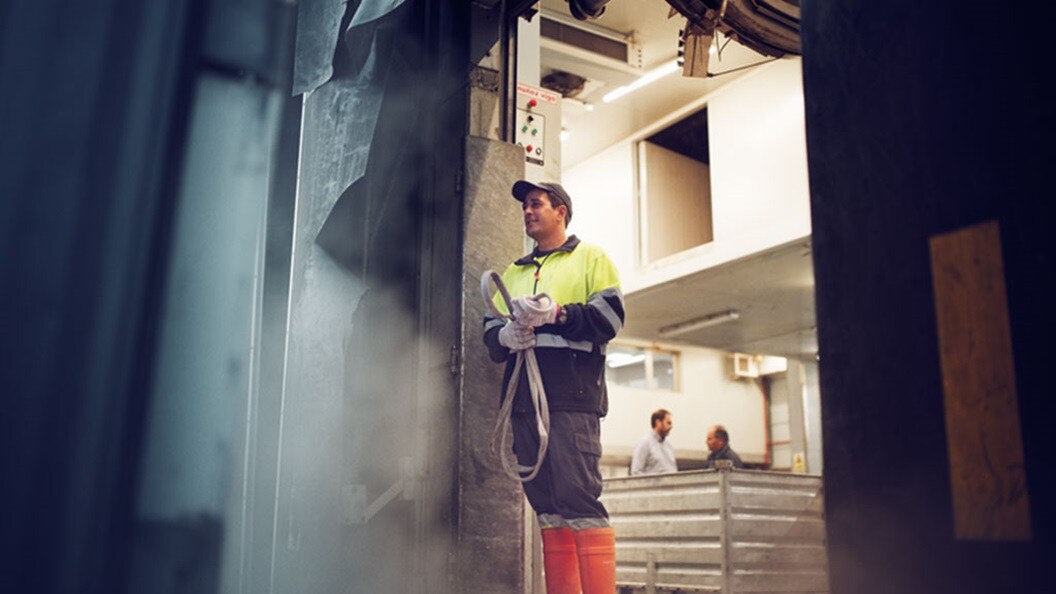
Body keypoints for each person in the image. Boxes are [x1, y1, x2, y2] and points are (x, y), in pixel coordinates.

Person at [483, 179, 624, 594]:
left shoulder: (590, 258)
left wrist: (557, 314)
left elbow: (610, 319)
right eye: (525, 206)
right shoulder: (514, 272)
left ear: (561, 211)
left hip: (571, 401)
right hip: (525, 403)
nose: (527, 211)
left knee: (579, 502)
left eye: (536, 204)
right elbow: (490, 334)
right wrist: (505, 337)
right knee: (547, 507)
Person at [630, 408, 677, 476]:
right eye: (668, 423)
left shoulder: (669, 446)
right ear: (658, 422)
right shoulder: (644, 443)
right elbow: (636, 472)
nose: (671, 426)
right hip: (653, 486)